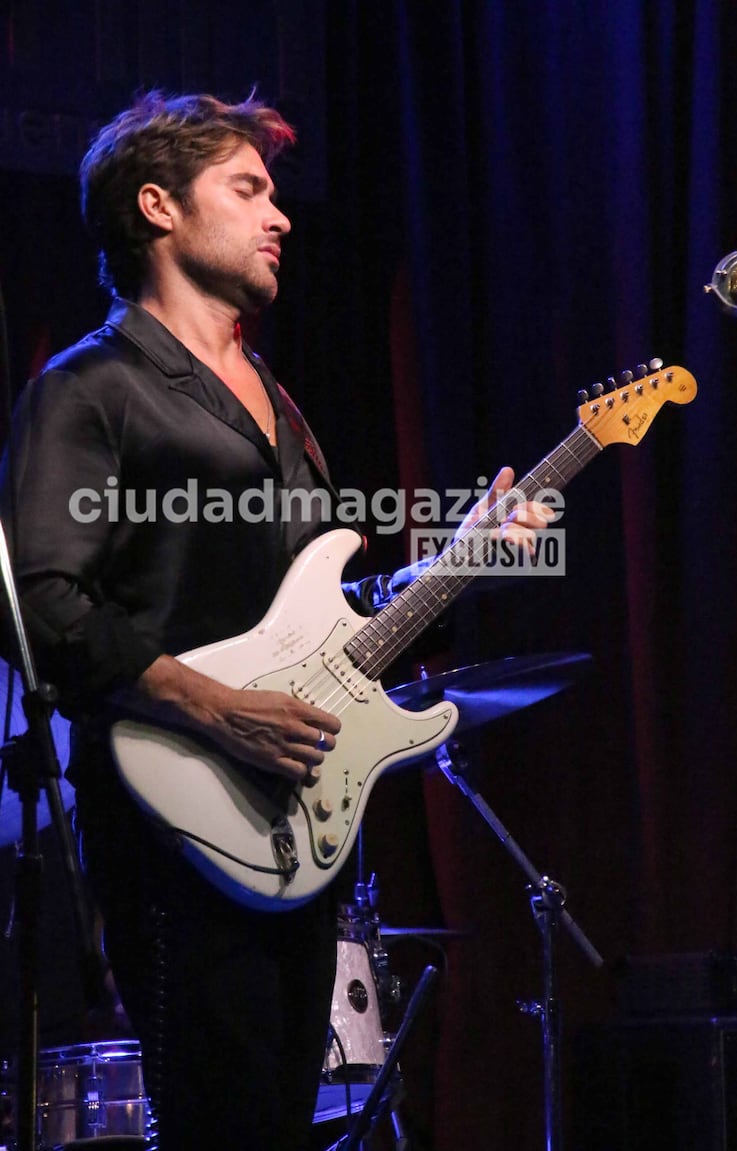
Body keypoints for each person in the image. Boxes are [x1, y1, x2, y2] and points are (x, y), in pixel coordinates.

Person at [0, 91, 551, 1150]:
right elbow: (38, 600)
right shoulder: (89, 389)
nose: (280, 215)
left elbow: (326, 625)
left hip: (294, 819)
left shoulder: (277, 401)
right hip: (174, 812)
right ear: (156, 206)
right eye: (246, 188)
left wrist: (460, 566)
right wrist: (211, 705)